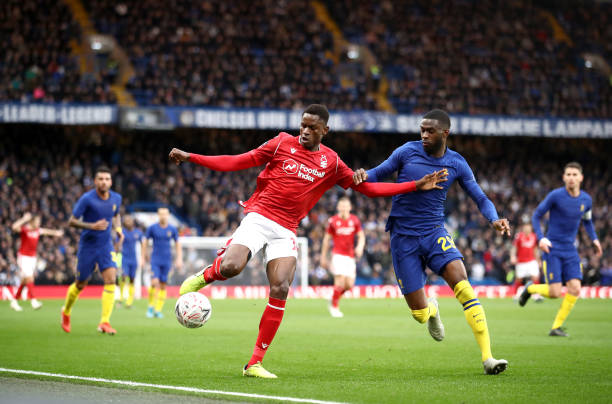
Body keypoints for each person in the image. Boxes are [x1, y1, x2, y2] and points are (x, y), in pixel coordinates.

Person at [169, 104, 447, 378]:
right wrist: (193, 157)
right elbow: (240, 160)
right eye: (302, 125)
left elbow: (368, 189)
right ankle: (207, 274)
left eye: (312, 128)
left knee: (280, 287)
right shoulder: (280, 143)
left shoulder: (332, 162)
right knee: (231, 267)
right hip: (259, 217)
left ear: (324, 130)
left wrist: (414, 185)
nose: (304, 131)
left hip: (287, 229)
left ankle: (254, 363)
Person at [353, 109, 511, 375]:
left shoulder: (457, 163)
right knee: (418, 314)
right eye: (422, 130)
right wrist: (362, 174)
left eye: (430, 131)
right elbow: (378, 173)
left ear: (445, 133)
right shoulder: (406, 152)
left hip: (435, 233)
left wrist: (493, 219)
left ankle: (488, 358)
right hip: (403, 237)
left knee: (465, 288)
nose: (424, 135)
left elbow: (480, 197)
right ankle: (432, 309)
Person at [520, 162, 603, 336]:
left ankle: (556, 327)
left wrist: (594, 239)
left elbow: (587, 221)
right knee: (555, 292)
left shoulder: (586, 200)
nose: (571, 178)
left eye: (575, 175)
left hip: (571, 250)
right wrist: (541, 238)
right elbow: (536, 215)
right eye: (568, 174)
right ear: (564, 177)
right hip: (553, 248)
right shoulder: (556, 196)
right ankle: (529, 289)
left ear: (581, 178)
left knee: (575, 288)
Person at [61, 166, 122, 335]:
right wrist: (91, 226)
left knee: (111, 280)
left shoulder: (116, 198)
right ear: (95, 181)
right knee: (81, 284)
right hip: (87, 246)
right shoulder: (87, 199)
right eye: (101, 179)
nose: (104, 182)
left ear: (111, 181)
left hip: (106, 245)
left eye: (107, 179)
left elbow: (116, 215)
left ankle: (105, 322)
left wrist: (118, 229)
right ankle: (66, 311)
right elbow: (71, 221)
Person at [320, 196, 365, 318]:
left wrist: (360, 247)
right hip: (337, 255)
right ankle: (334, 307)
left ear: (350, 208)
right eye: (342, 206)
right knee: (339, 281)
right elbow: (326, 239)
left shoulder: (355, 220)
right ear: (338, 207)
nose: (344, 209)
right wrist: (323, 256)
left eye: (346, 206)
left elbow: (361, 236)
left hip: (350, 256)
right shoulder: (333, 221)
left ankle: (333, 296)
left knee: (349, 285)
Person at [9, 212, 63, 311]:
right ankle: (33, 301)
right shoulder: (25, 229)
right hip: (23, 257)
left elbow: (46, 231)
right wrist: (24, 219)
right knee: (30, 278)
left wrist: (56, 233)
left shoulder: (38, 230)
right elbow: (14, 227)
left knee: (25, 281)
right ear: (32, 221)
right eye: (37, 221)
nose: (39, 223)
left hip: (32, 258)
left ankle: (14, 301)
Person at [142, 207, 182, 318]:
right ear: (158, 215)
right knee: (155, 283)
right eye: (161, 214)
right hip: (155, 260)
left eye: (165, 214)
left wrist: (179, 258)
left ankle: (158, 310)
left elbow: (178, 243)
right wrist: (143, 257)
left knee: (163, 285)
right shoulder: (152, 228)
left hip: (167, 261)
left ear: (168, 215)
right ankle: (150, 307)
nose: (163, 216)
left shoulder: (172, 229)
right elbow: (144, 242)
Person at [510, 222, 542, 301]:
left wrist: (538, 260)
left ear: (531, 229)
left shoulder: (534, 236)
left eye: (529, 228)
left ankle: (536, 295)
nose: (527, 229)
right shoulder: (519, 236)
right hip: (521, 262)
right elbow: (514, 247)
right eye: (526, 227)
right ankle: (515, 294)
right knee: (519, 279)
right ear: (523, 228)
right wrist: (512, 256)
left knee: (535, 277)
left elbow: (535, 249)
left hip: (531, 261)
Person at [120, 215, 144, 308]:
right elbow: (117, 245)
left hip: (133, 260)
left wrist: (142, 256)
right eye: (126, 220)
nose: (128, 222)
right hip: (124, 259)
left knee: (132, 279)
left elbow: (143, 243)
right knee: (123, 276)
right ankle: (121, 299)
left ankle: (129, 302)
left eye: (129, 220)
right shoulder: (122, 232)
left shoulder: (137, 232)